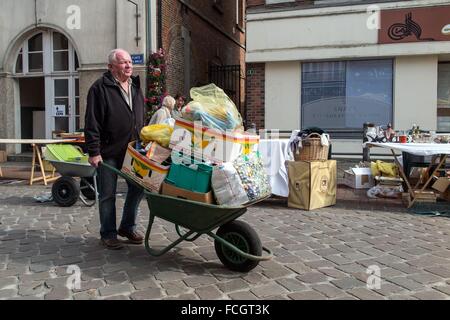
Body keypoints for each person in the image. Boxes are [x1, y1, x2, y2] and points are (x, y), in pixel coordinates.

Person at [85, 48, 145, 250]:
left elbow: (139, 116)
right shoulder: (99, 88)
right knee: (108, 194)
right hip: (108, 151)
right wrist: (94, 152)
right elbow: (92, 122)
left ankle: (127, 227)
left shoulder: (135, 86)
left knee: (138, 187)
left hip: (132, 150)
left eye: (129, 62)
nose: (128, 65)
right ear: (111, 66)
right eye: (123, 62)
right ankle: (108, 233)